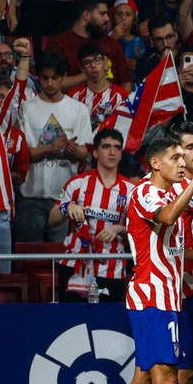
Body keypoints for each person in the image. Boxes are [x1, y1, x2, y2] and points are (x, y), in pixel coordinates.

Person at [95, 133, 193, 384]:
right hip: (151, 296)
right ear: (155, 163)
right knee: (166, 376)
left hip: (166, 297)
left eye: (183, 156)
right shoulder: (145, 192)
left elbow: (169, 246)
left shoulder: (169, 191)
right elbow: (169, 217)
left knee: (145, 377)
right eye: (175, 157)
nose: (182, 162)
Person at [47, 127, 132, 302]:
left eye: (117, 147)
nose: (112, 152)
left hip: (112, 266)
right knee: (71, 322)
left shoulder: (131, 190)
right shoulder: (76, 183)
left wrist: (119, 229)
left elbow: (141, 231)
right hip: (74, 264)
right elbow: (52, 220)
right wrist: (67, 208)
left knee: (106, 324)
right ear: (94, 152)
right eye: (106, 146)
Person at [17, 50, 92, 242]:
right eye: (45, 78)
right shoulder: (27, 108)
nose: (50, 84)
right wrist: (49, 149)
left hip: (65, 198)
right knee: (29, 260)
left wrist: (72, 149)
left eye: (55, 78)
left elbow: (87, 154)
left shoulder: (79, 110)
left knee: (61, 261)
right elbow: (21, 156)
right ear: (38, 77)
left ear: (64, 76)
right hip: (30, 196)